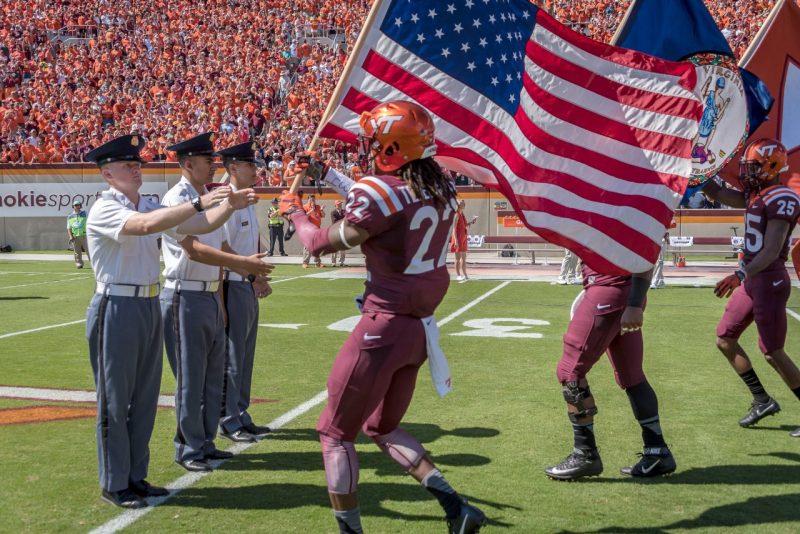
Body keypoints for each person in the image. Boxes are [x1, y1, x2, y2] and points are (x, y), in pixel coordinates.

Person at [279, 101, 486, 534]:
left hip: (384, 324)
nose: (368, 145)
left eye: (374, 139)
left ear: (390, 145)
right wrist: (325, 174)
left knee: (335, 434)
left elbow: (318, 242)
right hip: (418, 330)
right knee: (382, 427)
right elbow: (383, 200)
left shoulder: (381, 191)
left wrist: (293, 211)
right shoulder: (440, 187)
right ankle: (457, 508)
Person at [84, 134, 256, 508]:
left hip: (145, 303)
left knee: (144, 398)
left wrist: (227, 206)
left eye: (137, 163)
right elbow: (147, 226)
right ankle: (115, 482)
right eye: (127, 165)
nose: (136, 168)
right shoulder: (105, 207)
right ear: (107, 174)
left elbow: (196, 227)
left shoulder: (146, 203)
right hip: (116, 305)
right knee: (116, 400)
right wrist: (198, 201)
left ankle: (136, 476)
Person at [161, 132, 273, 473]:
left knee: (210, 377)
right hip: (185, 292)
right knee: (191, 378)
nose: (213, 165)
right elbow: (192, 248)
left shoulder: (204, 196)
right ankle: (188, 447)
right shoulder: (176, 199)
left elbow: (218, 240)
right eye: (208, 160)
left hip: (208, 291)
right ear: (188, 163)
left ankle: (206, 442)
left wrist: (234, 276)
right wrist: (246, 267)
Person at [701, 138, 800, 438]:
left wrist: (739, 274)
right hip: (753, 280)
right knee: (725, 339)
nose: (747, 173)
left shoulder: (782, 197)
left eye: (754, 167)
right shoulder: (756, 195)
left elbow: (770, 250)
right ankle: (762, 400)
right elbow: (717, 193)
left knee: (772, 352)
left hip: (768, 279)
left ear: (771, 166)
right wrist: (698, 173)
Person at [544, 264, 676, 480]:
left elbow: (645, 252)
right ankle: (657, 451)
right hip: (621, 290)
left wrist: (634, 303)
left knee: (570, 372)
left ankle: (585, 454)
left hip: (609, 289)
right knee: (631, 376)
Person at [216, 141, 274, 443]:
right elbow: (222, 250)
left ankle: (240, 412)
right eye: (250, 165)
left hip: (246, 285)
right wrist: (250, 278)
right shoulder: (225, 200)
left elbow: (252, 244)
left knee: (245, 355)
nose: (255, 169)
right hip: (231, 285)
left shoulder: (247, 199)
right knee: (233, 357)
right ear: (233, 168)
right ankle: (227, 418)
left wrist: (258, 277)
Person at [450, 199, 477, 282]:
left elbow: (465, 225)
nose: (463, 202)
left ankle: (465, 274)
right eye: (461, 202)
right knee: (457, 258)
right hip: (457, 238)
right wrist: (456, 241)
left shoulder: (462, 215)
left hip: (463, 237)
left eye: (463, 202)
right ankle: (458, 275)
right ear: (458, 205)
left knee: (464, 258)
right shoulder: (456, 215)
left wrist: (471, 222)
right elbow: (454, 228)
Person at [301, 193, 324, 268]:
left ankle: (317, 263)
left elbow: (323, 215)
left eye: (314, 199)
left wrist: (321, 210)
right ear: (308, 200)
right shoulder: (304, 207)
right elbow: (304, 217)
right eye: (311, 199)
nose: (313, 201)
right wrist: (311, 210)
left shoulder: (318, 207)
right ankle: (305, 262)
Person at [67, 199, 90, 268]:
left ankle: (94, 263)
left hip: (85, 235)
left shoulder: (85, 213)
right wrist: (70, 236)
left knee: (89, 250)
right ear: (73, 206)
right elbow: (69, 227)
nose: (77, 206)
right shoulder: (70, 216)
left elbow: (89, 222)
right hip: (75, 236)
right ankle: (79, 263)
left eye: (78, 205)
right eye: (76, 205)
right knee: (77, 252)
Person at [329, 199, 346, 266]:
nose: (340, 205)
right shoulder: (333, 212)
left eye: (340, 204)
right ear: (335, 205)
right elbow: (335, 222)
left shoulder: (344, 211)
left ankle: (341, 261)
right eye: (338, 204)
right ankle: (333, 262)